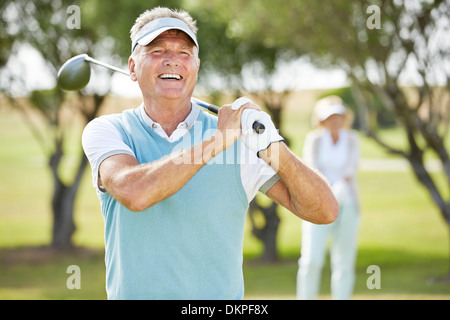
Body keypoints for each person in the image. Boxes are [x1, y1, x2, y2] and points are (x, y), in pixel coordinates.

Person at [82, 6, 338, 300]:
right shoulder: (109, 131)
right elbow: (135, 193)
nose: (172, 60)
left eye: (184, 52)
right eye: (157, 50)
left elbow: (324, 210)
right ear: (132, 67)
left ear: (196, 66)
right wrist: (217, 141)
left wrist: (272, 143)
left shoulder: (238, 143)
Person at [296, 95, 360, 300]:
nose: (335, 120)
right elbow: (311, 168)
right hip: (317, 205)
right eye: (330, 117)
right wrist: (328, 192)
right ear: (322, 120)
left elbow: (350, 169)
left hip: (347, 204)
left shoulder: (351, 139)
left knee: (344, 262)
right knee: (311, 260)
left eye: (338, 116)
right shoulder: (314, 139)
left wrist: (340, 189)